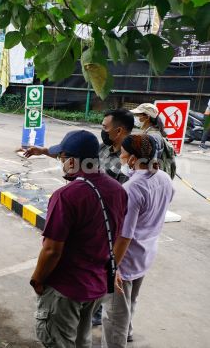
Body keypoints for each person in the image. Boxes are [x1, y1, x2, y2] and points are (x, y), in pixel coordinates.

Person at [30, 130, 127, 348]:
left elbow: (52, 251)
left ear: (73, 160)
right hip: (97, 286)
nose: (62, 163)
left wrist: (37, 279)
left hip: (66, 289)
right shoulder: (117, 190)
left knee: (59, 341)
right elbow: (118, 235)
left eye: (62, 159)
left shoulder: (66, 196)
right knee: (82, 341)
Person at [101, 134, 174, 347]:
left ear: (133, 159)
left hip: (127, 257)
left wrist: (113, 267)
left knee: (115, 315)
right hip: (146, 253)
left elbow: (125, 234)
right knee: (130, 302)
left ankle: (118, 342)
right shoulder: (164, 178)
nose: (121, 158)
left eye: (123, 154)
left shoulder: (132, 188)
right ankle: (128, 332)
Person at [130, 103, 176, 179]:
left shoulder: (152, 136)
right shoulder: (150, 132)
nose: (136, 118)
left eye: (138, 115)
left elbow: (151, 164)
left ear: (147, 117)